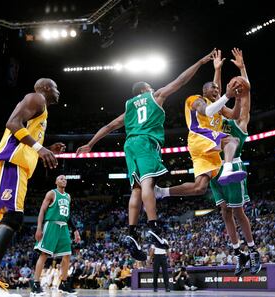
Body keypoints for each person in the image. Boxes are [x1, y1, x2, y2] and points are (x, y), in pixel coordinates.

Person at [76, 50, 215, 261]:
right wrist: (200, 62)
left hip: (130, 145)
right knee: (149, 184)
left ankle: (131, 234)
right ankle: (153, 228)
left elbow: (110, 125)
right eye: (149, 85)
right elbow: (180, 80)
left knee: (137, 189)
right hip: (146, 142)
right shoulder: (155, 95)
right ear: (144, 89)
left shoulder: (129, 107)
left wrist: (90, 144)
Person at [0, 78, 64, 297]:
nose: (59, 92)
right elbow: (13, 124)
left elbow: (24, 137)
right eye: (56, 88)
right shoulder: (36, 98)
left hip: (16, 167)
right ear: (46, 88)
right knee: (13, 219)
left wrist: (46, 148)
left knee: (10, 221)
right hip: (10, 163)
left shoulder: (41, 111)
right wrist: (41, 149)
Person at [155, 50, 245, 200]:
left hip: (206, 148)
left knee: (200, 188)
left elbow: (235, 115)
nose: (216, 90)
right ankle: (228, 169)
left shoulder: (219, 107)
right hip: (200, 137)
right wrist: (227, 94)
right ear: (204, 91)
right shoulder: (195, 99)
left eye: (218, 89)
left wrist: (237, 99)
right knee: (232, 140)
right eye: (213, 88)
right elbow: (207, 111)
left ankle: (161, 192)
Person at [205, 48, 260, 276]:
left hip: (233, 166)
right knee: (224, 213)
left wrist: (242, 69)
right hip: (214, 168)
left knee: (238, 212)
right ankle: (239, 253)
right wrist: (217, 70)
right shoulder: (216, 118)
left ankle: (253, 250)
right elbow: (217, 96)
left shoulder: (241, 121)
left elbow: (245, 94)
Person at [31, 175, 81, 296]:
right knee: (44, 254)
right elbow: (42, 210)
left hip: (63, 226)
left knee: (67, 255)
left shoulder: (68, 197)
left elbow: (68, 216)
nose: (64, 180)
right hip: (51, 225)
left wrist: (75, 230)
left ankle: (63, 284)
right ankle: (35, 285)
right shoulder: (51, 193)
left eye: (65, 179)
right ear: (56, 182)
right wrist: (39, 227)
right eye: (61, 179)